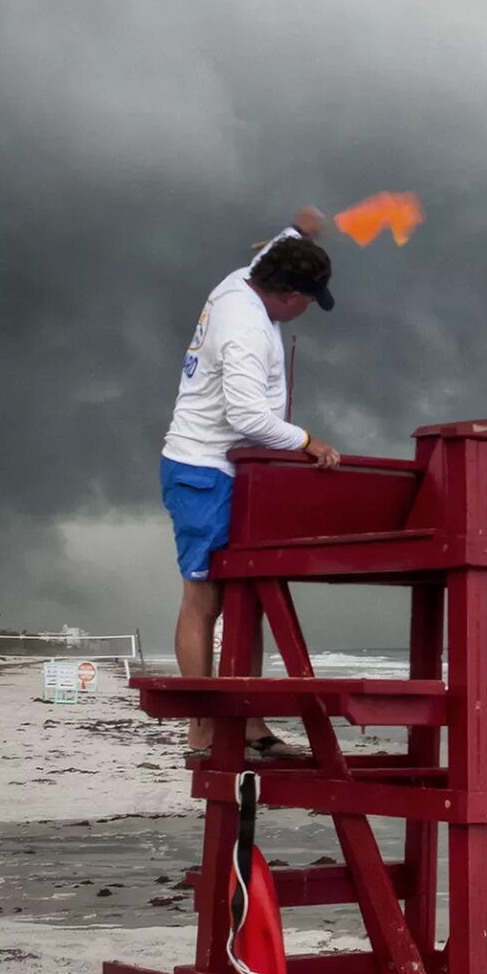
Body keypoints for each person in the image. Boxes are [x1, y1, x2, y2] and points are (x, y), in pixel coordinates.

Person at [161, 208, 342, 760]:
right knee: (205, 597)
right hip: (201, 467)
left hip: (236, 469)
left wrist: (303, 228)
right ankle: (203, 729)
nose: (307, 308)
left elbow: (281, 245)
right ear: (284, 292)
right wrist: (310, 441)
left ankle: (253, 723)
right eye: (306, 299)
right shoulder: (243, 332)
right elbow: (247, 419)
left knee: (249, 595)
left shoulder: (246, 276)